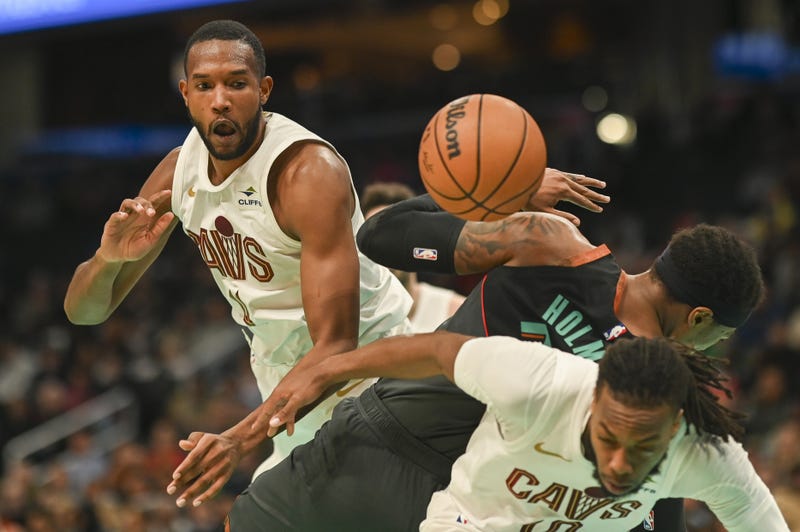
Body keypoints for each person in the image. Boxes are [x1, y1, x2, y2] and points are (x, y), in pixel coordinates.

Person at [225, 192, 764, 530]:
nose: (713, 349)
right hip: (453, 498)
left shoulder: (552, 245)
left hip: (384, 436)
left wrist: (505, 199)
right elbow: (658, 492)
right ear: (698, 318)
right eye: (718, 337)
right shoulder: (649, 387)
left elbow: (380, 234)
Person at [62, 19, 413, 499]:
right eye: (205, 86)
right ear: (185, 94)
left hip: (370, 381)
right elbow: (86, 311)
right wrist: (107, 258)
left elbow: (337, 348)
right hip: (290, 393)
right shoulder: (177, 171)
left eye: (237, 83)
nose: (220, 99)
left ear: (264, 89)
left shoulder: (307, 173)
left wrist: (237, 440)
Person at [260, 333, 789, 531]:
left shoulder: (705, 455)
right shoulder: (538, 382)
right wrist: (329, 369)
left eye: (644, 447)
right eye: (609, 437)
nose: (621, 463)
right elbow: (437, 351)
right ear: (594, 397)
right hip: (474, 524)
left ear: (674, 427)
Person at [361, 182, 465, 332]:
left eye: (392, 234)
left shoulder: (455, 313)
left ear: (415, 240)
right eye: (373, 239)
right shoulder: (352, 321)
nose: (383, 248)